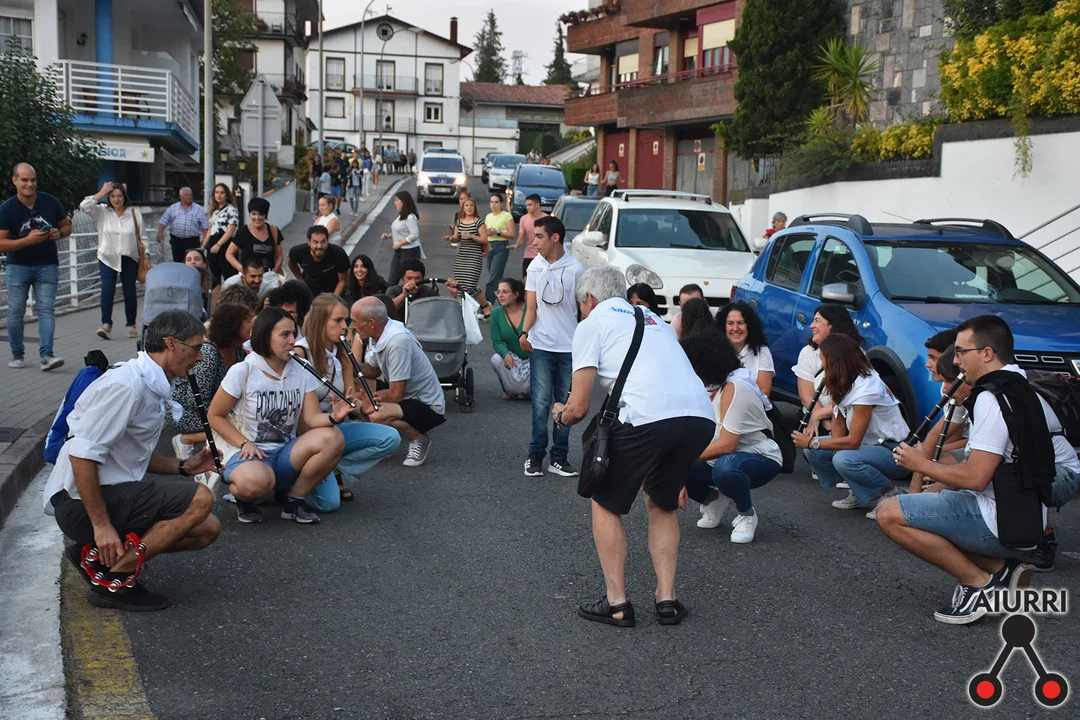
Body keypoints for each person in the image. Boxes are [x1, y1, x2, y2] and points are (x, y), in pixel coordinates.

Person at [884, 315, 1080, 624]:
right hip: (1026, 515)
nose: (956, 360)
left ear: (987, 353)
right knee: (925, 505)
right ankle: (1003, 568)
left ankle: (979, 585)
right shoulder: (1016, 384)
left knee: (889, 514)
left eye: (961, 352)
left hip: (1002, 519)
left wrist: (919, 464)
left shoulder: (991, 398)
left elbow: (976, 478)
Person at [553, 265, 715, 627]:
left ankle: (617, 603)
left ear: (589, 298)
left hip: (647, 417)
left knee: (604, 501)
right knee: (661, 501)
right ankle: (667, 600)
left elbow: (579, 406)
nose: (581, 311)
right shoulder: (653, 319)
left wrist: (560, 416)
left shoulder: (592, 324)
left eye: (580, 304)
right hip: (700, 417)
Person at [44, 310, 221, 611]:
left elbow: (130, 455)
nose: (200, 358)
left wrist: (183, 467)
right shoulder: (127, 385)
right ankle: (115, 581)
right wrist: (101, 526)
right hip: (76, 504)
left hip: (100, 496)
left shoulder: (149, 383)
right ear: (171, 344)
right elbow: (82, 454)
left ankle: (93, 556)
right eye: (196, 348)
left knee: (207, 528)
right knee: (201, 498)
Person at [208, 307, 348, 525]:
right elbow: (214, 416)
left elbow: (312, 419)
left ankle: (294, 501)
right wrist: (244, 443)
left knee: (334, 436)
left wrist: (334, 417)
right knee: (256, 484)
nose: (293, 341)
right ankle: (246, 497)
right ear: (265, 336)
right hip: (246, 452)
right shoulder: (243, 370)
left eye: (293, 334)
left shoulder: (301, 370)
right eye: (284, 335)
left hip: (284, 453)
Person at [293, 295, 401, 509]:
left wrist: (363, 407)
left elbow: (347, 399)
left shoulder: (342, 352)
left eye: (346, 320)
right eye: (338, 320)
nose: (345, 326)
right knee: (329, 504)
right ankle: (300, 477)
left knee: (390, 437)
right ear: (320, 322)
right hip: (306, 433)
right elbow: (297, 415)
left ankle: (333, 466)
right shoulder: (301, 353)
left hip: (333, 429)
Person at [680, 328, 782, 543]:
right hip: (723, 458)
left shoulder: (737, 387)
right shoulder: (711, 387)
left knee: (725, 468)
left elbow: (727, 445)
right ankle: (714, 500)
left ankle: (747, 514)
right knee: (663, 466)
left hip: (760, 456)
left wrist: (678, 463)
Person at [793, 334, 911, 514]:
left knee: (841, 458)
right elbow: (838, 418)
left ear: (836, 361)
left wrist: (812, 442)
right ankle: (861, 490)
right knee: (817, 453)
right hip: (869, 446)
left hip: (893, 450)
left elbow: (853, 442)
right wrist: (828, 448)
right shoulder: (843, 379)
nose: (821, 364)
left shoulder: (866, 389)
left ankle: (891, 494)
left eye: (823, 359)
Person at [519, 216, 585, 477]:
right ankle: (535, 455)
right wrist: (524, 333)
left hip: (569, 347)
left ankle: (559, 458)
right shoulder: (535, 267)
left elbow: (583, 311)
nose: (534, 242)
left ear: (555, 238)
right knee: (540, 402)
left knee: (566, 403)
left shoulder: (576, 269)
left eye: (539, 236)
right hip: (541, 346)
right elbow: (531, 307)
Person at [351, 297, 446, 467]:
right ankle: (384, 439)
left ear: (371, 322)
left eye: (356, 322)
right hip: (404, 396)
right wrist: (346, 366)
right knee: (354, 386)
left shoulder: (397, 342)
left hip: (425, 405)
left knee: (374, 413)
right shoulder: (378, 333)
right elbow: (374, 370)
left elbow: (395, 395)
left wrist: (363, 400)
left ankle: (419, 439)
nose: (353, 327)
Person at [1, 162, 71, 371]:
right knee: (15, 311)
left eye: (33, 180)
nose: (29, 184)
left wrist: (59, 233)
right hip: (17, 266)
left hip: (47, 264)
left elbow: (66, 225)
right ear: (15, 181)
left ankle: (47, 355)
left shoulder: (50, 201)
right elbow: (1, 243)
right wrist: (27, 241)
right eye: (24, 180)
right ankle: (17, 353)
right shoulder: (7, 208)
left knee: (46, 310)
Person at [171, 303, 255, 467]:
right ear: (233, 325)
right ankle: (186, 439)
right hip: (184, 410)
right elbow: (194, 399)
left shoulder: (237, 350)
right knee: (234, 424)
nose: (252, 323)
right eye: (247, 320)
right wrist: (227, 413)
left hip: (209, 406)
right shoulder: (209, 354)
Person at [82, 181, 143, 341]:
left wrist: (147, 254)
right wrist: (101, 192)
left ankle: (131, 324)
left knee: (129, 291)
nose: (116, 199)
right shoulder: (103, 212)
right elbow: (84, 206)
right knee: (107, 290)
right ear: (109, 198)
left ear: (124, 197)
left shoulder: (134, 213)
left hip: (129, 257)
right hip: (107, 257)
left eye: (119, 196)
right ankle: (106, 324)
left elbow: (142, 236)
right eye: (113, 196)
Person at [794, 304, 864, 436]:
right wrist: (826, 424)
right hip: (815, 417)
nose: (811, 326)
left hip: (847, 419)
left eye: (817, 321)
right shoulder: (808, 352)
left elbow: (856, 399)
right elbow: (806, 396)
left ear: (832, 325)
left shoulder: (856, 354)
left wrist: (820, 416)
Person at [444, 197, 493, 319]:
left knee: (470, 284)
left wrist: (471, 236)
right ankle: (466, 309)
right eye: (466, 205)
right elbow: (456, 238)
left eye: (471, 205)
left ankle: (483, 306)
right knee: (461, 284)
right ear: (463, 208)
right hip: (462, 256)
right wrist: (451, 239)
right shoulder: (459, 222)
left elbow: (484, 239)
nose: (469, 208)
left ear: (474, 207)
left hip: (474, 256)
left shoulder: (479, 222)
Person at [717, 301, 774, 397]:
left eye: (740, 323)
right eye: (730, 323)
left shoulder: (762, 351)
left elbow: (764, 391)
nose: (735, 328)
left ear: (749, 326)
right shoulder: (715, 350)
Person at [489, 278, 530, 400]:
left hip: (532, 358)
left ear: (516, 294)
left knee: (526, 391)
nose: (500, 295)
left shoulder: (529, 311)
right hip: (514, 358)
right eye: (498, 292)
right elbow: (497, 342)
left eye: (505, 292)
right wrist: (505, 353)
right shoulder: (496, 314)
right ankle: (508, 389)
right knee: (496, 359)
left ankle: (523, 389)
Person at [225, 197, 282, 279]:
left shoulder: (273, 231)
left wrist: (274, 272)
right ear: (249, 214)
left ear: (265, 215)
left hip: (269, 277)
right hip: (249, 278)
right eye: (254, 214)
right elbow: (229, 254)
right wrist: (241, 268)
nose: (257, 218)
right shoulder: (243, 231)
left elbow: (279, 256)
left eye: (261, 214)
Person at [287, 225, 350, 297]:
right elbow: (290, 262)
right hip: (310, 288)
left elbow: (342, 281)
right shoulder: (297, 252)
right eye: (315, 242)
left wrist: (333, 300)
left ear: (327, 241)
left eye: (323, 242)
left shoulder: (339, 254)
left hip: (333, 289)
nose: (319, 246)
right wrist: (301, 281)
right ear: (309, 242)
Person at [157, 187, 209, 263]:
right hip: (176, 241)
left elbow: (205, 226)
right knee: (178, 262)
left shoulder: (199, 209)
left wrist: (204, 241)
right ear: (181, 196)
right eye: (187, 195)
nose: (190, 197)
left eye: (191, 195)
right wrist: (160, 232)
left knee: (192, 262)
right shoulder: (173, 208)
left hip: (192, 241)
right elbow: (163, 220)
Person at [203, 183, 239, 286]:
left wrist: (218, 245)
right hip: (212, 242)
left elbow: (230, 231)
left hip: (225, 243)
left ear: (227, 195)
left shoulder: (231, 210)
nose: (219, 195)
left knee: (229, 275)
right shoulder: (214, 211)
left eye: (222, 193)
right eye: (217, 192)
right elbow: (211, 229)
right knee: (213, 276)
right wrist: (204, 245)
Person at [383, 191, 422, 286]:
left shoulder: (410, 217)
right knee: (392, 280)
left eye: (397, 200)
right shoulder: (401, 215)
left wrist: (400, 243)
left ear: (403, 202)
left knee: (411, 280)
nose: (394, 203)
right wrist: (388, 236)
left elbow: (414, 234)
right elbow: (401, 231)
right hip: (399, 251)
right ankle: (392, 294)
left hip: (410, 252)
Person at [483, 194, 516, 305]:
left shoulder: (506, 216)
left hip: (501, 247)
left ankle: (487, 306)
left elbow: (512, 234)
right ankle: (505, 305)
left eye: (496, 202)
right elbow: (484, 232)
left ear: (501, 203)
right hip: (489, 247)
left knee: (492, 280)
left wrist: (497, 232)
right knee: (496, 279)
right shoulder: (488, 216)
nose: (494, 204)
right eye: (491, 202)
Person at [514, 194, 546, 277]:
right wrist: (516, 244)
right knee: (526, 281)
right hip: (529, 255)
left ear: (537, 205)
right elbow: (521, 237)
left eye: (530, 205)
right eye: (526, 205)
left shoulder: (547, 219)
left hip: (543, 256)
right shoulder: (524, 219)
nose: (527, 207)